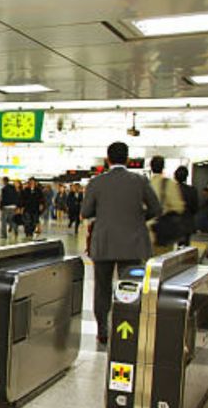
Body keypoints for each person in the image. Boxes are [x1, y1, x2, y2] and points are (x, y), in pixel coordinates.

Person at [82, 142, 162, 344]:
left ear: (107, 159)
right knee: (131, 286)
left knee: (102, 288)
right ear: (127, 159)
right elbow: (156, 208)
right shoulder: (140, 180)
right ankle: (127, 329)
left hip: (104, 243)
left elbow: (86, 212)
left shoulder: (96, 182)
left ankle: (102, 330)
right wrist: (138, 219)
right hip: (133, 244)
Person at [174, 166, 198, 246]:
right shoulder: (192, 190)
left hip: (173, 222)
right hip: (187, 222)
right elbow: (195, 208)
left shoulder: (171, 189)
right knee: (184, 247)